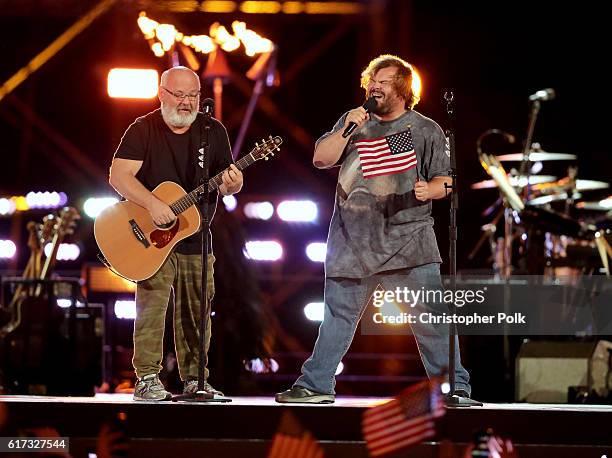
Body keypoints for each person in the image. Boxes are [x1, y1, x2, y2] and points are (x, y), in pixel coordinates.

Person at [275, 54, 471, 404]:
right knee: (336, 320)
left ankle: (454, 388)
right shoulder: (354, 122)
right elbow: (322, 158)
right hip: (352, 243)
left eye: (384, 81)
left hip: (409, 244)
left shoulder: (425, 129)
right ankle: (316, 385)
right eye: (371, 80)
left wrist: (432, 189)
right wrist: (347, 127)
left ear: (403, 88)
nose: (374, 86)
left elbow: (448, 181)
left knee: (432, 323)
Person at [109, 66, 243, 401]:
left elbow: (227, 178)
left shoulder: (212, 130)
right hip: (153, 236)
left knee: (198, 310)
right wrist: (152, 203)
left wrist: (234, 183)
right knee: (152, 307)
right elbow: (119, 176)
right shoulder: (143, 128)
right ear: (162, 93)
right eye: (179, 94)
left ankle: (196, 379)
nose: (186, 102)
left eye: (193, 95)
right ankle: (147, 378)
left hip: (197, 236)